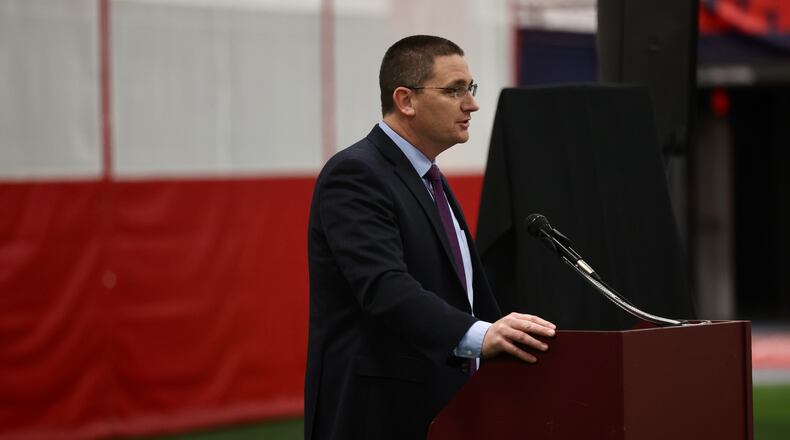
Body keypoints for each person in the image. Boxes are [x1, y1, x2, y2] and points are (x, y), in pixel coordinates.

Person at [305, 35, 556, 440]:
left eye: (470, 89)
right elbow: (384, 287)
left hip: (443, 409)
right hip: (379, 415)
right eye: (454, 90)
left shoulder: (428, 177)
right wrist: (480, 335)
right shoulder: (355, 174)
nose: (471, 104)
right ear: (406, 100)